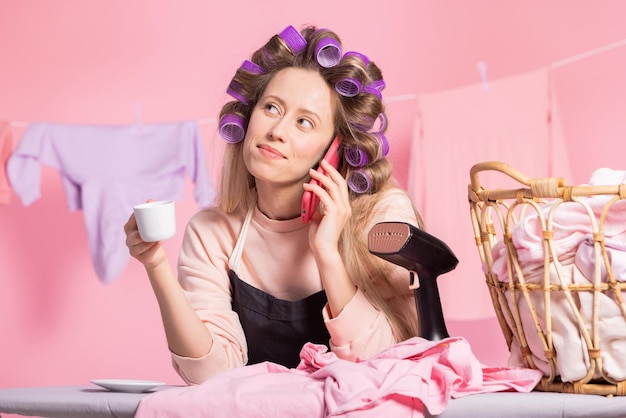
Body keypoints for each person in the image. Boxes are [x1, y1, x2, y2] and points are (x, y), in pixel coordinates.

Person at [124, 24, 424, 385]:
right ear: (247, 117)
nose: (277, 130)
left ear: (335, 149)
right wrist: (155, 264)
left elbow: (385, 365)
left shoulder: (382, 217)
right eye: (270, 107)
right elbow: (209, 376)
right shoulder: (213, 231)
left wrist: (327, 252)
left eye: (304, 122)